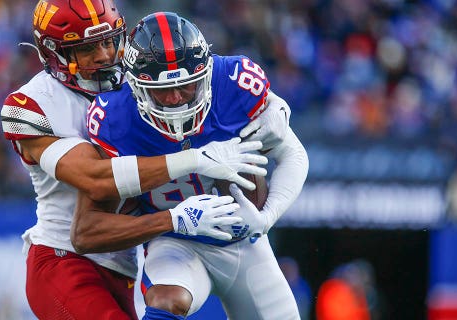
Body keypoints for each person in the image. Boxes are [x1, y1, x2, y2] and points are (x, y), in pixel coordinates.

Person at [0, 1, 291, 319]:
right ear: (55, 53)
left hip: (125, 261)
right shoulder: (30, 106)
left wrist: (275, 108)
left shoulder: (136, 78)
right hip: (65, 256)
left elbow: (204, 74)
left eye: (109, 41)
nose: (105, 56)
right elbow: (97, 178)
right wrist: (193, 161)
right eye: (87, 49)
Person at [76, 12, 309, 319]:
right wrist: (171, 219)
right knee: (166, 300)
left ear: (205, 73)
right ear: (136, 86)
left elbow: (294, 153)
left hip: (244, 240)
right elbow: (87, 229)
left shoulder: (235, 84)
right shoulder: (116, 118)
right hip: (175, 242)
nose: (175, 99)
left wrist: (268, 216)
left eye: (186, 86)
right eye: (161, 90)